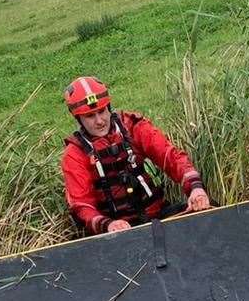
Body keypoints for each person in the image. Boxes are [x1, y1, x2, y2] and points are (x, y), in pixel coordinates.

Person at [60, 75, 210, 234]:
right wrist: (107, 225)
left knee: (209, 210)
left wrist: (195, 188)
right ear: (78, 118)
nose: (100, 121)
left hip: (158, 219)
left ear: (109, 107)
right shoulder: (74, 155)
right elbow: (81, 205)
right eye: (90, 116)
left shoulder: (132, 127)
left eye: (102, 111)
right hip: (115, 233)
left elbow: (171, 157)